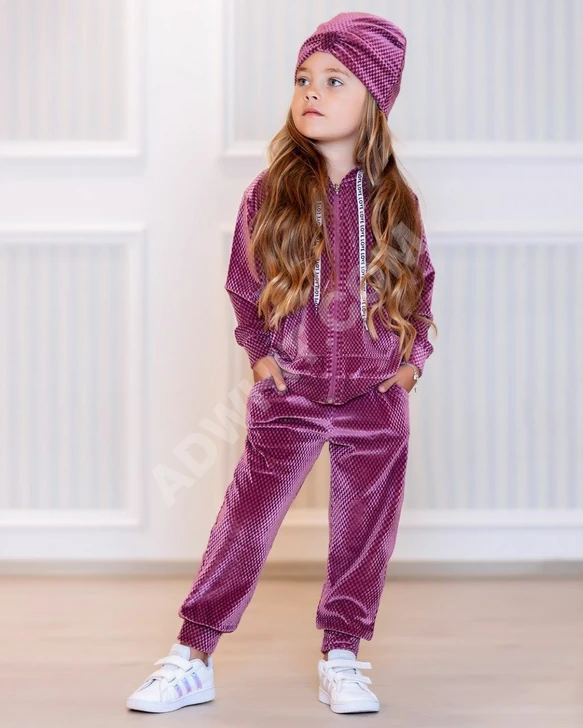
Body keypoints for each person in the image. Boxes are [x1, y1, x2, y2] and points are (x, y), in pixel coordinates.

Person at [126, 11, 437, 716]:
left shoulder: (397, 201)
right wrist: (263, 359)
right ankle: (191, 657)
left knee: (363, 533)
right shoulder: (269, 193)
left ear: (375, 100)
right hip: (290, 394)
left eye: (334, 80)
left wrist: (410, 362)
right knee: (245, 524)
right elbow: (244, 283)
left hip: (374, 399)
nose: (311, 91)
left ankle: (342, 657)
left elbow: (419, 286)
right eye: (302, 78)